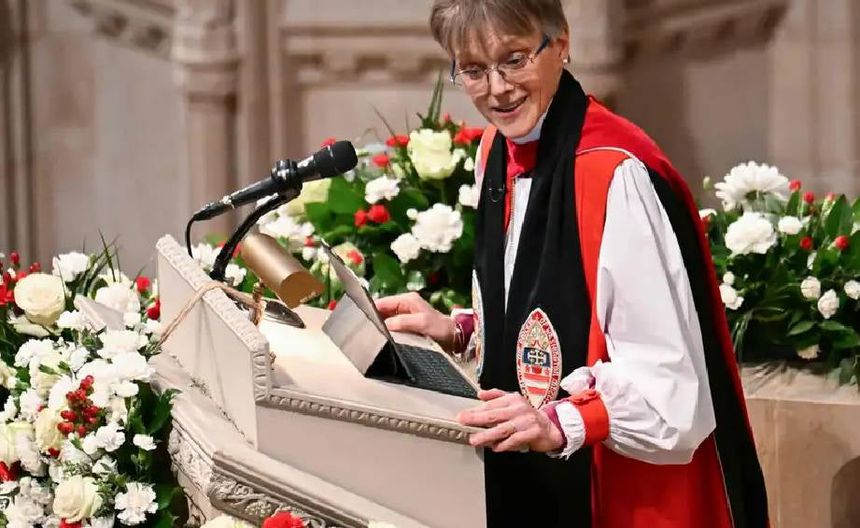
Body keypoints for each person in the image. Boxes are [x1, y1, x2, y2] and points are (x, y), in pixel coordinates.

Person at [375, 1, 768, 526]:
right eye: (473, 69)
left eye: (514, 59)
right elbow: (545, 310)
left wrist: (561, 423)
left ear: (560, 44)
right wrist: (462, 330)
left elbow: (670, 390)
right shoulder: (496, 149)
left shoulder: (613, 174)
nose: (497, 89)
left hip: (622, 493)